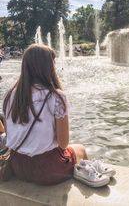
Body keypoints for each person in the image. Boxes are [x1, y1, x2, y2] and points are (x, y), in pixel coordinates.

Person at [2, 44, 88, 185]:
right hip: (47, 170)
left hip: (17, 166)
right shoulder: (57, 97)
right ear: (48, 67)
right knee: (81, 149)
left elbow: (10, 136)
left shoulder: (10, 95)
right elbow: (63, 144)